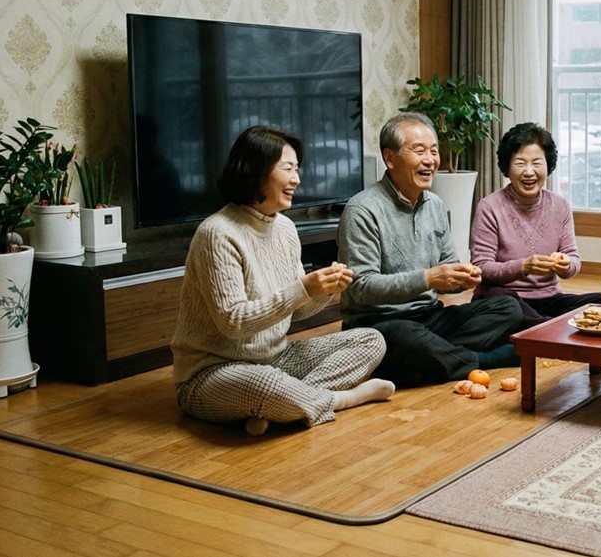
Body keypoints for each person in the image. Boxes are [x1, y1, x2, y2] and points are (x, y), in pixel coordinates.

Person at [173, 126, 394, 437]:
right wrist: (304, 287)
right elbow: (233, 322)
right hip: (211, 372)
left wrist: (325, 291)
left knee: (371, 339)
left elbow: (296, 312)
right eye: (288, 169)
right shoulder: (217, 234)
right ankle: (341, 399)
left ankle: (282, 407)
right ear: (257, 171)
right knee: (263, 385)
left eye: (297, 169)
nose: (297, 180)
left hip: (277, 358)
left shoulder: (286, 229)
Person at [337, 112, 525, 387]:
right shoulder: (362, 210)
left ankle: (426, 362)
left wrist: (461, 278)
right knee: (403, 336)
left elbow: (447, 269)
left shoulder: (435, 205)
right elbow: (362, 287)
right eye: (419, 150)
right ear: (389, 159)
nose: (430, 160)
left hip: (429, 317)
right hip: (379, 323)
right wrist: (428, 278)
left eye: (434, 151)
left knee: (508, 307)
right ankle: (482, 360)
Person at [470, 122, 601, 327]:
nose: (529, 172)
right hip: (505, 299)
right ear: (507, 166)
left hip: (549, 300)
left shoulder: (560, 205)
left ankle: (544, 329)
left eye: (537, 163)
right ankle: (553, 330)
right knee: (507, 305)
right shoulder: (490, 207)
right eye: (520, 163)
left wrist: (566, 264)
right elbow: (481, 268)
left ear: (548, 166)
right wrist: (523, 266)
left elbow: (574, 259)